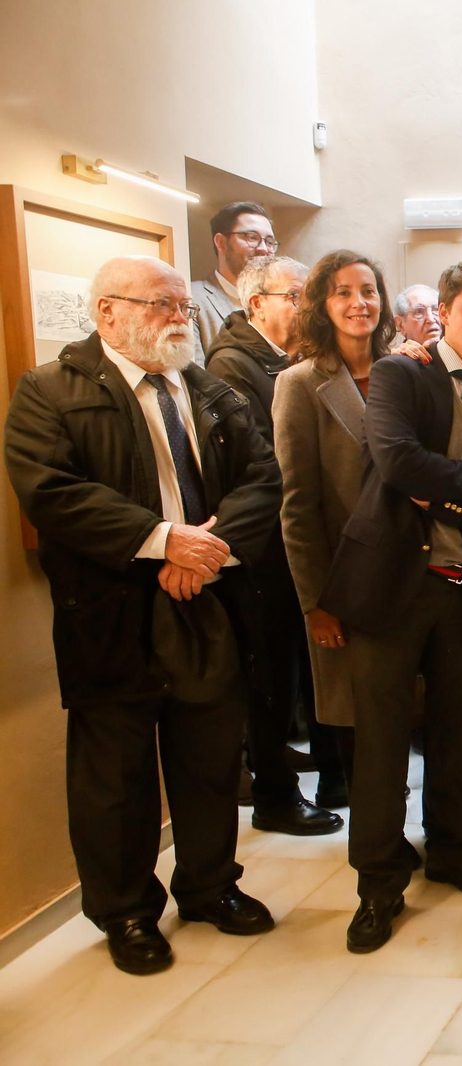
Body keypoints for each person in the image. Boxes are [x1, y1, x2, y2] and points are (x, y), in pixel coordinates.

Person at [5, 255, 280, 974]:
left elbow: (263, 476)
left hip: (205, 599)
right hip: (110, 608)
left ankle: (210, 885)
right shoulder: (49, 392)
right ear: (108, 313)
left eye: (182, 306)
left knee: (210, 756)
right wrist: (162, 543)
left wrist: (207, 551)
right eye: (161, 304)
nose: (178, 318)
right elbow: (50, 492)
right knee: (116, 775)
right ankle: (127, 911)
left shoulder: (209, 389)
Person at [320, 260, 462, 953]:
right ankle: (378, 882)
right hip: (390, 584)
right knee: (381, 742)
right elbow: (396, 459)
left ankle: (449, 847)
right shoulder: (399, 375)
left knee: (454, 735)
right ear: (444, 308)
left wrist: (452, 494)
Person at [207, 256, 348, 825]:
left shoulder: (300, 360)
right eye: (294, 296)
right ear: (256, 303)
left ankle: (335, 778)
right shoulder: (233, 364)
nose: (304, 307)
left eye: (307, 296)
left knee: (318, 659)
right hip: (265, 546)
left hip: (308, 536)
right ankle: (274, 796)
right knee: (272, 669)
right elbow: (269, 459)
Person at [273, 250, 394, 812]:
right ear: (323, 304)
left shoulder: (407, 369)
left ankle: (418, 828)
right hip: (344, 581)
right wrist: (315, 604)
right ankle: (374, 845)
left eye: (367, 290)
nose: (358, 303)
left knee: (407, 715)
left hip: (413, 573)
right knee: (354, 717)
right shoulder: (299, 384)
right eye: (343, 292)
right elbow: (297, 505)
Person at [192, 201, 277, 352]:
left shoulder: (279, 300)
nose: (263, 249)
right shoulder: (194, 300)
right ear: (221, 242)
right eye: (252, 237)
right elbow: (194, 372)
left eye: (269, 242)